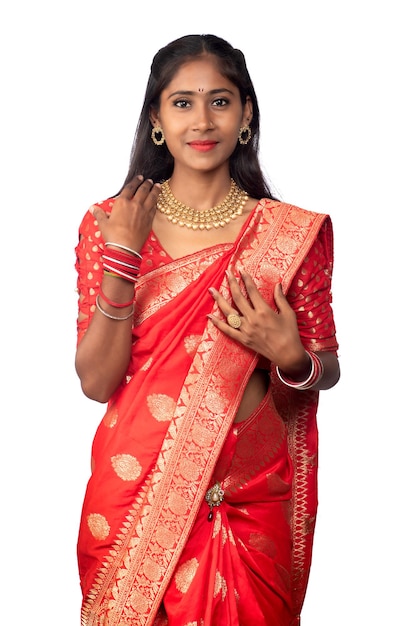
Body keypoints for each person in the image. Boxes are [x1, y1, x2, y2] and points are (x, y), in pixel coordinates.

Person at [74, 33, 340, 626]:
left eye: (220, 101)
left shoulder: (289, 235)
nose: (202, 120)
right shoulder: (109, 224)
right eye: (182, 102)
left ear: (246, 114)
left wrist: (290, 356)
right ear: (156, 120)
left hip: (249, 504)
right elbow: (96, 381)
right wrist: (123, 258)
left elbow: (324, 367)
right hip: (135, 497)